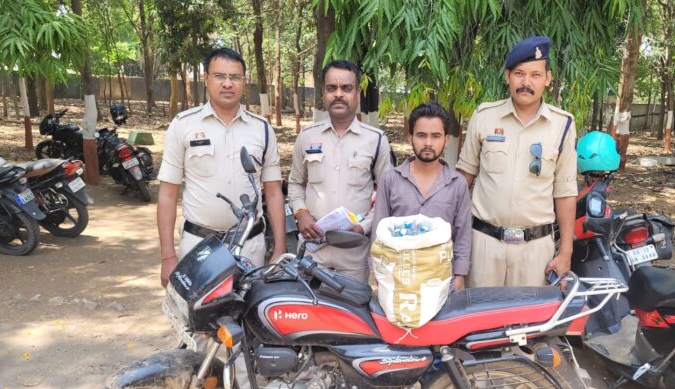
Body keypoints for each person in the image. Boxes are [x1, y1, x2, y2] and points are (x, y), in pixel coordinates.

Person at [157, 48, 286, 287]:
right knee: (196, 311)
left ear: (244, 82)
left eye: (235, 77)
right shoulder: (183, 125)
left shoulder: (262, 129)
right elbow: (167, 193)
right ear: (205, 78)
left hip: (250, 247)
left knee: (249, 309)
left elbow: (274, 192)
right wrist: (167, 256)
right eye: (219, 76)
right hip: (198, 245)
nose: (227, 83)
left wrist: (279, 249)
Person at [456, 35, 578, 287]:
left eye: (535, 75)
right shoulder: (484, 116)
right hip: (484, 246)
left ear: (548, 78)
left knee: (529, 314)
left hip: (535, 251)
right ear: (507, 76)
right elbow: (462, 179)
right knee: (480, 311)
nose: (526, 82)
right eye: (519, 74)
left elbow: (565, 192)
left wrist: (566, 252)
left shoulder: (562, 124)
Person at [287, 60, 392, 282]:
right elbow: (295, 183)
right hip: (312, 251)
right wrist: (301, 213)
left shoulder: (376, 140)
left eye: (346, 88)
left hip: (354, 253)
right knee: (308, 304)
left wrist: (363, 227)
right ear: (323, 94)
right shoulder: (307, 137)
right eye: (331, 88)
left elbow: (387, 195)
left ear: (357, 94)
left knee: (350, 305)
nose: (338, 94)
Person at [371, 103, 471, 291]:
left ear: (446, 139)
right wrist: (377, 272)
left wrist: (459, 276)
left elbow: (463, 234)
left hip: (441, 279)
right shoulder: (390, 179)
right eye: (421, 135)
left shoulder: (457, 183)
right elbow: (378, 231)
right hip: (398, 279)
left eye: (436, 136)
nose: (428, 143)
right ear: (410, 137)